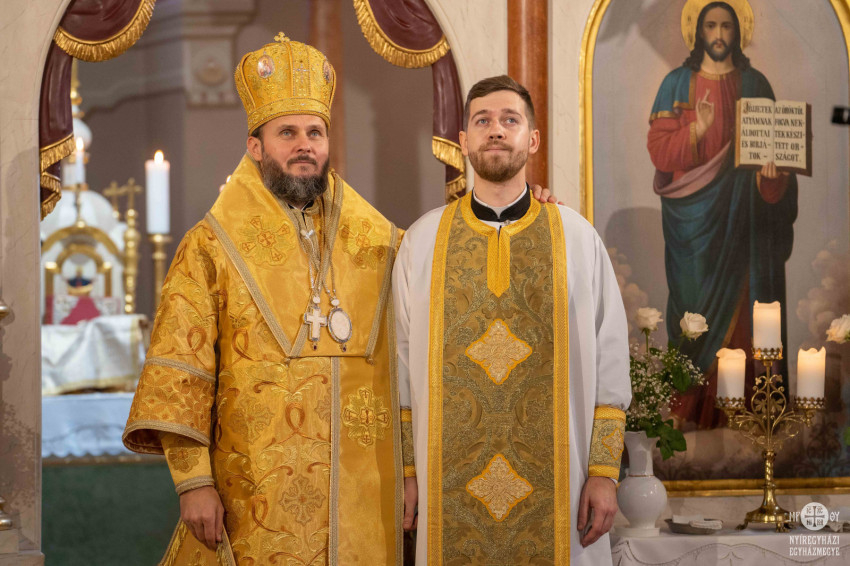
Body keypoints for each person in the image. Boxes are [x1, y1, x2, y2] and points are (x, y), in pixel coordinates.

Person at [123, 34, 405, 564]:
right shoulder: (211, 247)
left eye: (315, 132)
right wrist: (193, 482)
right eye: (287, 133)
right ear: (256, 147)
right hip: (253, 489)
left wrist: (531, 205)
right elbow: (180, 373)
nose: (305, 145)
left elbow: (422, 332)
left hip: (363, 487)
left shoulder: (381, 243)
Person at [393, 75, 632, 565]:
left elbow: (610, 356)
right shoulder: (421, 242)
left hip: (565, 486)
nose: (496, 130)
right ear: (464, 141)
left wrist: (604, 472)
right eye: (482, 121)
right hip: (446, 489)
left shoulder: (576, 238)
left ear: (533, 139)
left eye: (510, 120)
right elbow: (400, 363)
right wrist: (408, 472)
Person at [647, 1, 798, 427]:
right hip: (693, 224)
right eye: (710, 25)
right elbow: (659, 151)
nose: (718, 34)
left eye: (726, 26)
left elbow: (775, 157)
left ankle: (750, 416)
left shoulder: (755, 84)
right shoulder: (676, 83)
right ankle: (689, 414)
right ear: (698, 31)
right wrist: (696, 128)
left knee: (748, 311)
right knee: (693, 310)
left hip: (744, 221)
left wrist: (771, 180)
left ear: (737, 32)